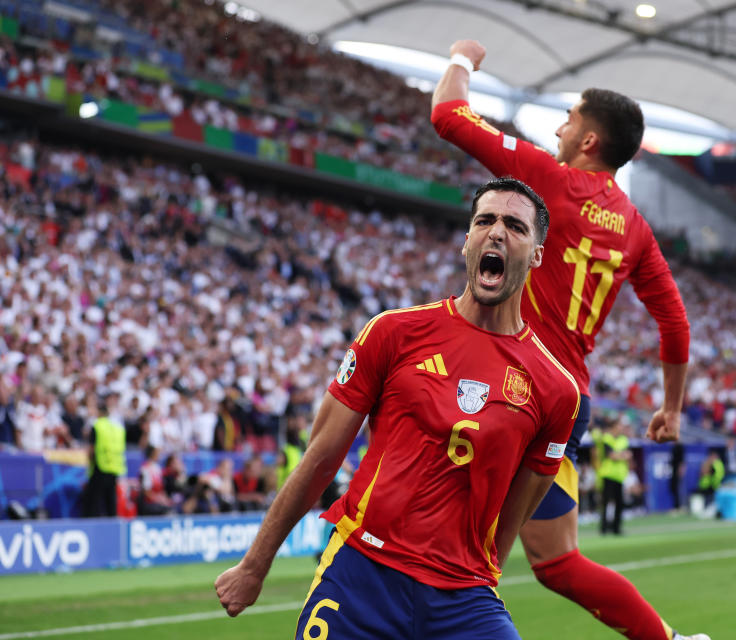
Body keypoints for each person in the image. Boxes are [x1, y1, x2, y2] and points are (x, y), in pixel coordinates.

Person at [215, 178, 581, 639]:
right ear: (466, 240)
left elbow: (514, 513)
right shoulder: (393, 332)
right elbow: (321, 458)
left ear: (537, 254)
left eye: (515, 225)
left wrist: (477, 571)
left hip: (464, 596)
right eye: (484, 220)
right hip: (362, 575)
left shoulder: (556, 389)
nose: (496, 232)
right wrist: (255, 564)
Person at [432, 40, 703, 640]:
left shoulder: (548, 181)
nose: (559, 127)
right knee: (556, 562)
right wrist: (672, 408)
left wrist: (461, 60)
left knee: (447, 540)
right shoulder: (634, 228)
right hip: (567, 398)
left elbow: (447, 116)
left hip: (511, 383)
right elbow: (675, 323)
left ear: (588, 141)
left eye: (570, 118)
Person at [82, 393, 127, 518]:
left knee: (92, 502)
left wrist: (89, 463)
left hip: (100, 466)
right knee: (110, 502)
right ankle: (112, 527)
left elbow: (92, 449)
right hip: (114, 468)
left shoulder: (97, 426)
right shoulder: (117, 428)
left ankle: (91, 528)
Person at [598, 417, 631, 535]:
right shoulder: (607, 438)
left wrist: (619, 455)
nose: (621, 428)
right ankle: (603, 528)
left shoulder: (623, 440)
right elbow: (611, 456)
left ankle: (616, 528)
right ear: (613, 427)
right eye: (619, 426)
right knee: (606, 502)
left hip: (620, 476)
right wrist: (621, 455)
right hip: (608, 474)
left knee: (619, 502)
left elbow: (628, 455)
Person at [138, 444, 173, 516]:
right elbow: (146, 492)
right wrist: (159, 500)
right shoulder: (145, 469)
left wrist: (165, 499)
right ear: (152, 454)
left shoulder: (157, 468)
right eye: (157, 453)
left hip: (157, 501)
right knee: (168, 512)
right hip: (149, 503)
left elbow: (161, 489)